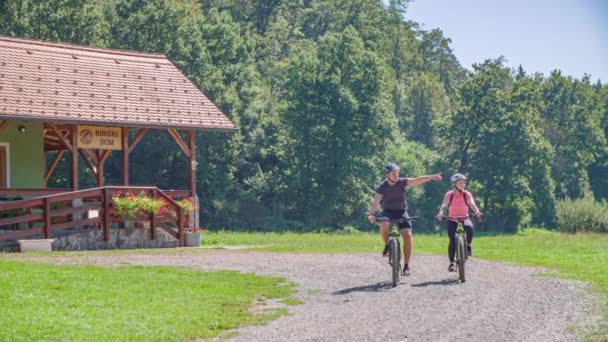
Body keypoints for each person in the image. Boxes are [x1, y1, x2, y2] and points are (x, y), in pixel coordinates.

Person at [367, 163, 442, 275]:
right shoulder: (382, 187)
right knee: (383, 222)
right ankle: (387, 245)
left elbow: (416, 180)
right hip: (388, 212)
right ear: (387, 175)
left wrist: (431, 177)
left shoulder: (402, 182)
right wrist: (372, 214)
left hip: (401, 212)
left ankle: (406, 266)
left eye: (397, 172)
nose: (396, 175)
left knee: (407, 235)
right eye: (393, 173)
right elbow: (376, 201)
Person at [436, 173, 482, 272]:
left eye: (463, 183)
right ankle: (451, 263)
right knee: (452, 240)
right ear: (454, 184)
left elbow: (472, 204)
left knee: (469, 227)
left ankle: (468, 245)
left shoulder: (467, 194)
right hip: (452, 219)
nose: (462, 184)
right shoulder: (449, 194)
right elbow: (444, 205)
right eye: (460, 183)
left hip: (464, 218)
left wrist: (477, 211)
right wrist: (440, 213)